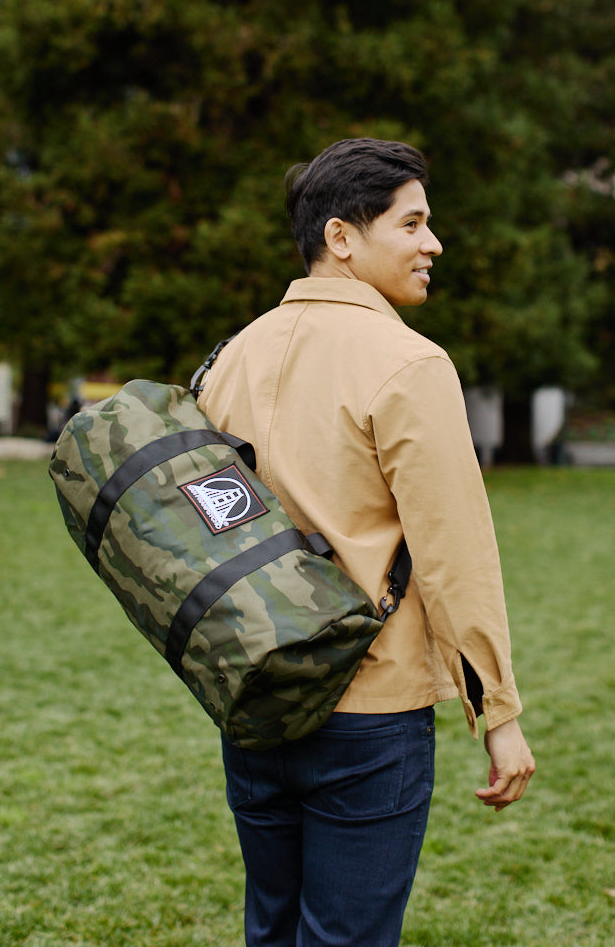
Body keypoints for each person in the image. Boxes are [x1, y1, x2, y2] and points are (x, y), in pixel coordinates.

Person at [198, 137, 535, 947]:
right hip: (368, 709)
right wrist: (499, 712)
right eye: (412, 223)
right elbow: (455, 552)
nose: (433, 244)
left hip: (254, 698)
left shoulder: (228, 357)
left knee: (272, 931)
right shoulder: (410, 364)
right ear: (342, 237)